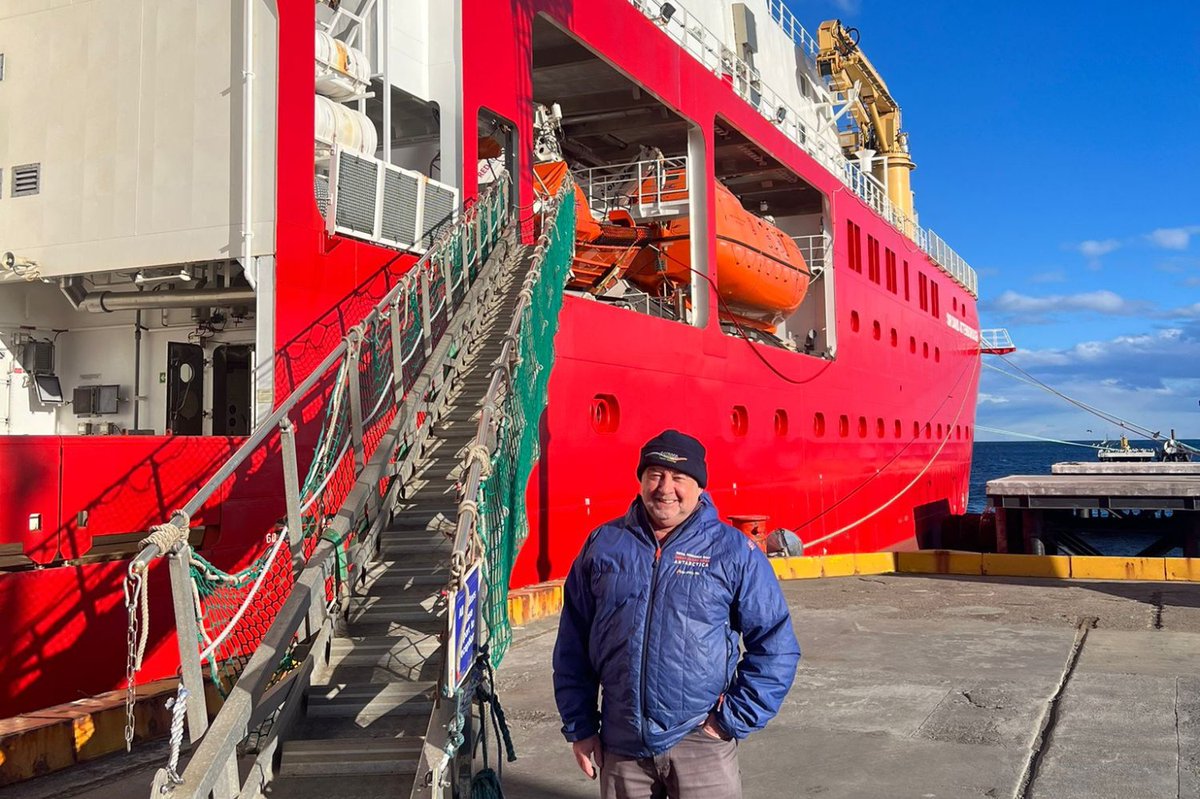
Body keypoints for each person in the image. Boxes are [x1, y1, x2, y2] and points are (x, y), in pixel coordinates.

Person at [553, 429, 801, 798]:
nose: (665, 488)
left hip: (701, 742)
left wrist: (730, 720)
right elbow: (573, 643)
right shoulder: (603, 544)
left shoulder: (733, 551)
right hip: (622, 743)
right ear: (641, 480)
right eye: (655, 474)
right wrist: (581, 726)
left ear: (699, 486)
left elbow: (776, 644)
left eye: (679, 477)